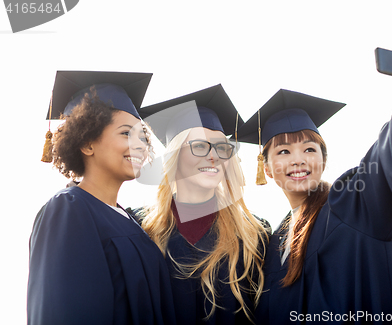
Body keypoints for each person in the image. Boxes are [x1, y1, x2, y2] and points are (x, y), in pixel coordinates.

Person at [236, 49, 392, 324]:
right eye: (283, 152)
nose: (299, 160)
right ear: (265, 167)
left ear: (323, 160)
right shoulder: (272, 243)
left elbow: (385, 170)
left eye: (309, 149)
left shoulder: (349, 205)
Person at [27, 71, 176, 325]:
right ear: (87, 143)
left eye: (143, 137)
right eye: (126, 134)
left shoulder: (129, 219)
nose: (140, 145)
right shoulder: (67, 210)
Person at [135, 85, 270, 324]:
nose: (213, 156)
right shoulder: (139, 229)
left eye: (222, 147)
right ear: (173, 156)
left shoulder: (254, 234)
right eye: (198, 146)